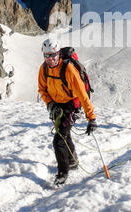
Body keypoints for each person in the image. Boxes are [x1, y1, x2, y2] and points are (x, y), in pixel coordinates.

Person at [38, 37, 97, 185]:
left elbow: (83, 95)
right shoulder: (43, 69)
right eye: (47, 55)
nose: (50, 59)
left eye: (53, 55)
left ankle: (63, 172)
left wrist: (91, 118)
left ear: (59, 53)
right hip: (57, 104)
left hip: (72, 104)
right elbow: (42, 90)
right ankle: (72, 160)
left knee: (59, 139)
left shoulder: (68, 69)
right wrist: (50, 104)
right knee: (64, 134)